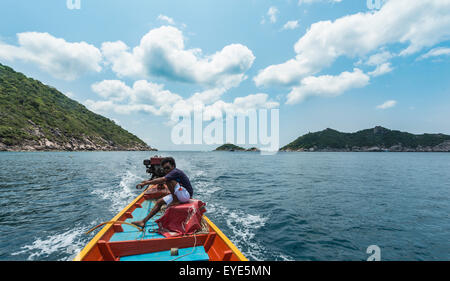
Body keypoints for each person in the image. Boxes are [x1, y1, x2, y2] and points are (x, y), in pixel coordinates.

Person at [131, 157, 193, 228]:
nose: (166, 170)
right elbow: (161, 180)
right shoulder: (172, 173)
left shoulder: (176, 172)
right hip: (181, 195)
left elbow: (164, 179)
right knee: (159, 202)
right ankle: (143, 221)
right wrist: (148, 182)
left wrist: (146, 183)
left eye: (167, 167)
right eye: (164, 168)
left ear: (173, 166)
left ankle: (175, 200)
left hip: (186, 195)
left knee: (168, 180)